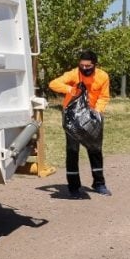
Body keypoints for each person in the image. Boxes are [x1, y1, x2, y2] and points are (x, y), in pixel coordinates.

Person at [49, 49, 111, 198]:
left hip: (91, 117)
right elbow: (53, 84)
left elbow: (104, 96)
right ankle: (74, 187)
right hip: (72, 118)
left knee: (95, 149)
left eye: (88, 66)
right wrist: (70, 89)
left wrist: (97, 112)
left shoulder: (103, 76)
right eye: (82, 66)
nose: (84, 69)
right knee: (72, 151)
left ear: (94, 65)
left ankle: (99, 184)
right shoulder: (74, 73)